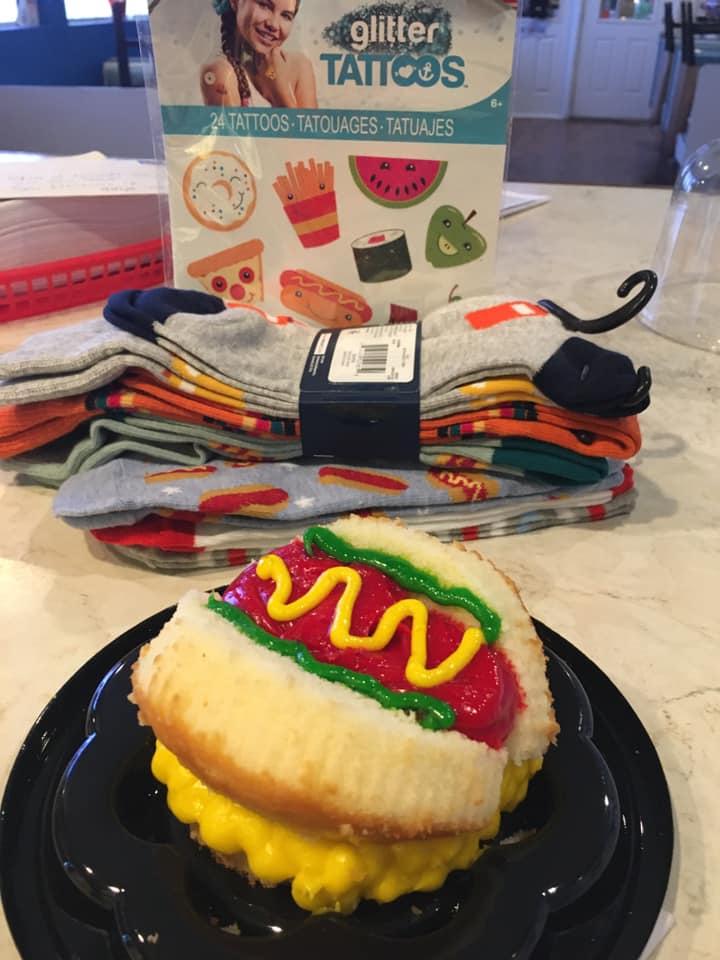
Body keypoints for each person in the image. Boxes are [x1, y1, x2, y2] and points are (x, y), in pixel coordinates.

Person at [202, 0, 317, 108]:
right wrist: (280, 95)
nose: (274, 25)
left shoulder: (299, 67)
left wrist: (277, 82)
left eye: (285, 16)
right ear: (235, 2)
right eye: (264, 5)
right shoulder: (221, 72)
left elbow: (308, 124)